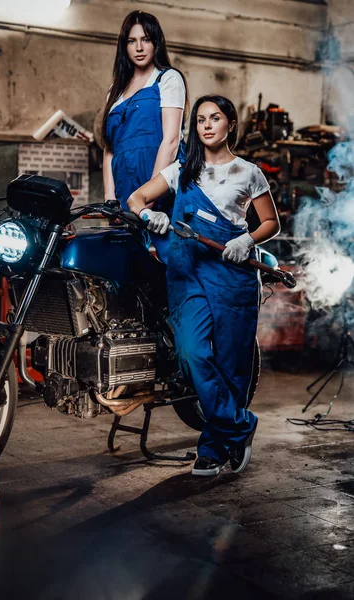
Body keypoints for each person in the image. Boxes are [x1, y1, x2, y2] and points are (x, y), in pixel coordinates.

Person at [127, 94, 280, 477]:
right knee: (193, 353)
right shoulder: (183, 170)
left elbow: (269, 223)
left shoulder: (248, 172)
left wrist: (247, 240)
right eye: (200, 120)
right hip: (188, 272)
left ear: (230, 123)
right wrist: (149, 215)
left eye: (215, 118)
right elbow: (137, 197)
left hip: (233, 274)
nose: (207, 125)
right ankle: (240, 425)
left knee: (232, 364)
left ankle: (211, 448)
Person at [102, 10, 188, 262]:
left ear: (156, 42)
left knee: (176, 265)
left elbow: (171, 141)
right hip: (126, 194)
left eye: (146, 39)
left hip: (162, 189)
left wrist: (149, 195)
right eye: (132, 41)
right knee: (123, 272)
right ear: (124, 46)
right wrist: (110, 200)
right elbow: (109, 149)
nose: (139, 47)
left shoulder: (168, 78)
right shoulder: (115, 91)